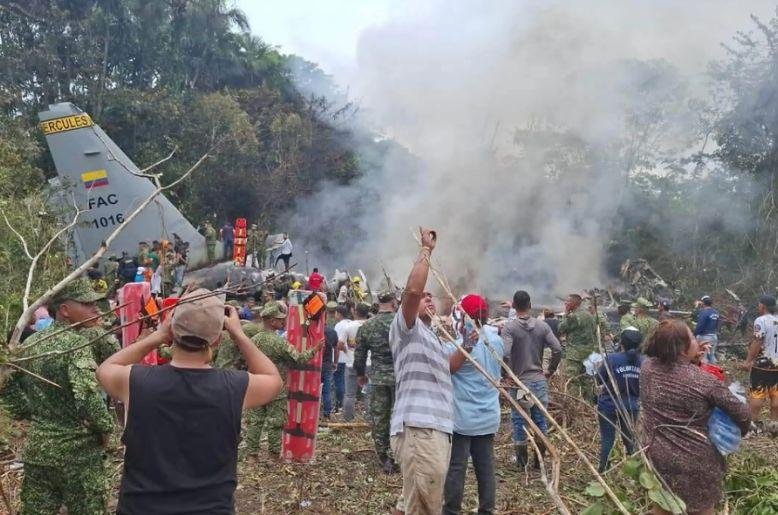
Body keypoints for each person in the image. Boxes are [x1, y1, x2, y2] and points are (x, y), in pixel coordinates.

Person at [96, 288, 283, 513]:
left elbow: (105, 369)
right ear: (216, 339)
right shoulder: (234, 387)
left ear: (172, 330)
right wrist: (239, 335)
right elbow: (273, 379)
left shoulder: (136, 381)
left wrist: (157, 336)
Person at [1, 278, 114, 514]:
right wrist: (104, 430)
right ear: (65, 310)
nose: (95, 308)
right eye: (86, 303)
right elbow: (87, 397)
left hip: (38, 452)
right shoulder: (75, 345)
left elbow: (8, 387)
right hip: (78, 456)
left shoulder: (30, 344)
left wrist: (36, 415)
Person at [640, 320, 750, 515]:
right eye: (692, 337)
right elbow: (742, 414)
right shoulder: (705, 381)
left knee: (663, 504)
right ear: (682, 348)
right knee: (701, 509)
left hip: (656, 453)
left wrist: (694, 362)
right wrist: (740, 431)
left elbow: (675, 373)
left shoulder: (647, 368)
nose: (697, 342)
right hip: (696, 460)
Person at [389, 227, 453, 515]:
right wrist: (426, 251)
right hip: (420, 428)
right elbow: (412, 291)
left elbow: (448, 369)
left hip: (435, 429)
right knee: (426, 506)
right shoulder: (407, 329)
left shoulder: (433, 337)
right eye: (424, 297)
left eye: (432, 296)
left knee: (414, 501)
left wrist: (472, 345)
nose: (428, 298)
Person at [443, 294, 503, 515]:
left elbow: (447, 369)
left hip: (461, 419)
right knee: (486, 468)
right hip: (488, 416)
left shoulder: (457, 347)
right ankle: (487, 510)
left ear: (463, 316)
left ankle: (451, 511)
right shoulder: (496, 341)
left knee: (456, 468)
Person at [243, 302, 320, 458]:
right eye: (280, 320)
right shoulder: (278, 342)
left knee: (255, 421)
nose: (283, 323)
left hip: (255, 385)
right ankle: (273, 454)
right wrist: (315, 349)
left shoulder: (253, 340)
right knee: (275, 422)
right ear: (272, 321)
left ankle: (252, 454)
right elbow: (298, 359)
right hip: (276, 388)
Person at [501, 290, 562, 468]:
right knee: (540, 419)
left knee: (520, 420)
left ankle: (521, 462)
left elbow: (504, 352)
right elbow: (557, 348)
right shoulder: (542, 327)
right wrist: (550, 370)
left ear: (514, 304)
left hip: (520, 383)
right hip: (539, 380)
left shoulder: (510, 328)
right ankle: (539, 461)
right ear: (530, 305)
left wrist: (505, 374)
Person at [354, 289, 398, 472]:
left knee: (380, 418)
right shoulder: (401, 323)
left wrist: (361, 374)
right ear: (394, 302)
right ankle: (399, 455)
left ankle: (384, 457)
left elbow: (359, 356)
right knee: (400, 418)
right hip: (401, 378)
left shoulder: (367, 326)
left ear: (378, 303)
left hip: (378, 378)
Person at [595, 327, 644, 472]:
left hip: (608, 405)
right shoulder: (644, 362)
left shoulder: (612, 359)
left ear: (621, 342)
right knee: (629, 439)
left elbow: (599, 379)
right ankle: (638, 471)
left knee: (607, 439)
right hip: (631, 406)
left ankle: (603, 470)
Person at [741, 294, 778, 426]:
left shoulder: (761, 321)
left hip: (764, 364)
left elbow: (758, 341)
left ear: (763, 306)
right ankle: (774, 424)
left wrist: (748, 360)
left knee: (758, 393)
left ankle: (752, 424)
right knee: (776, 393)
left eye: (759, 305)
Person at [558, 293, 598, 397]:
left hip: (575, 354)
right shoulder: (589, 315)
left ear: (573, 303)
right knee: (586, 380)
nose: (565, 303)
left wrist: (566, 313)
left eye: (567, 302)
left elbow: (561, 328)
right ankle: (589, 406)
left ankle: (574, 404)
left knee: (572, 380)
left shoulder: (574, 316)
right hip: (588, 353)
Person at [343, 302, 369, 421]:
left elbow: (339, 344)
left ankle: (348, 419)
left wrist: (348, 351)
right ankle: (369, 418)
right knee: (368, 393)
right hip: (368, 363)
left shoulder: (348, 326)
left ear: (355, 312)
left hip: (351, 363)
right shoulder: (371, 325)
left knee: (350, 394)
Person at [332, 304, 352, 413]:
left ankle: (340, 403)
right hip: (350, 358)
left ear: (339, 314)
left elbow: (337, 343)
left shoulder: (339, 326)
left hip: (340, 358)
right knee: (346, 381)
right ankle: (346, 403)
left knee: (338, 381)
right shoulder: (351, 323)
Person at [694, 295, 720, 364]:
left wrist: (694, 334)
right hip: (714, 336)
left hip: (705, 337)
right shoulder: (716, 312)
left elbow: (700, 326)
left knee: (703, 357)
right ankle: (715, 371)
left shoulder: (704, 312)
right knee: (711, 355)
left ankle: (703, 373)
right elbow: (718, 325)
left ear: (703, 303)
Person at [321, 321, 338, 419]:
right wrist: (335, 362)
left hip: (313, 366)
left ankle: (313, 411)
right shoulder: (332, 332)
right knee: (327, 390)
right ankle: (327, 412)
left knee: (313, 390)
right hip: (327, 365)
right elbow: (336, 349)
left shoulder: (311, 330)